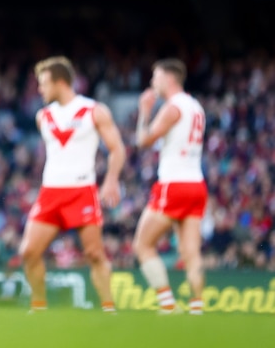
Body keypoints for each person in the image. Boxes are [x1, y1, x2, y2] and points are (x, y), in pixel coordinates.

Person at [19, 56, 126, 313]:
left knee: (94, 254)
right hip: (50, 192)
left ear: (60, 82)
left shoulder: (93, 111)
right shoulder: (42, 116)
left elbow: (117, 149)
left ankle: (109, 308)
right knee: (29, 252)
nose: (40, 89)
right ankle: (39, 307)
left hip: (82, 191)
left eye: (44, 83)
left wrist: (111, 180)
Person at [134, 58, 207, 315]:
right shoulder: (196, 106)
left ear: (169, 78)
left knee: (142, 245)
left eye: (155, 76)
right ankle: (197, 308)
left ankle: (167, 304)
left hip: (173, 184)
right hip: (197, 184)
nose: (153, 82)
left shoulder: (172, 107)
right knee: (191, 253)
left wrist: (144, 110)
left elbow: (143, 140)